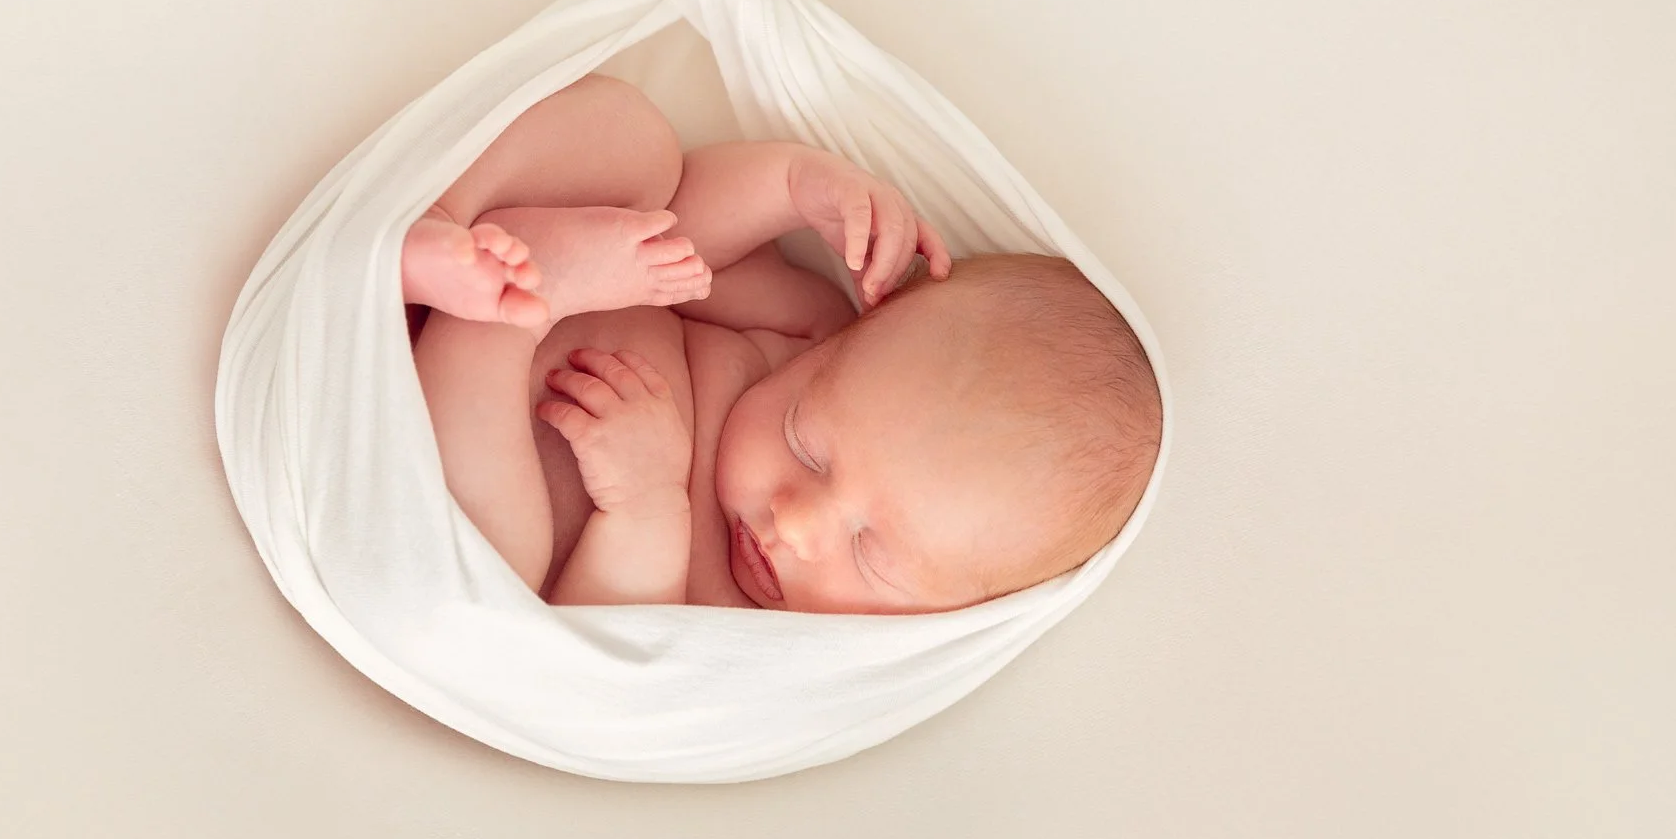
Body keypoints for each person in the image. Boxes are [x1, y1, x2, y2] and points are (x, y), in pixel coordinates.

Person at [402, 74, 1160, 613]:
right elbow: (680, 243)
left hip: (447, 445)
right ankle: (436, 222)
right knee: (641, 147)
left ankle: (501, 307)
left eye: (872, 555)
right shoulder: (800, 332)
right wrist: (794, 188)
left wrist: (646, 506)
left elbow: (594, 650)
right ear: (849, 339)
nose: (795, 524)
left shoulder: (739, 623)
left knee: (494, 565)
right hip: (468, 269)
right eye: (805, 443)